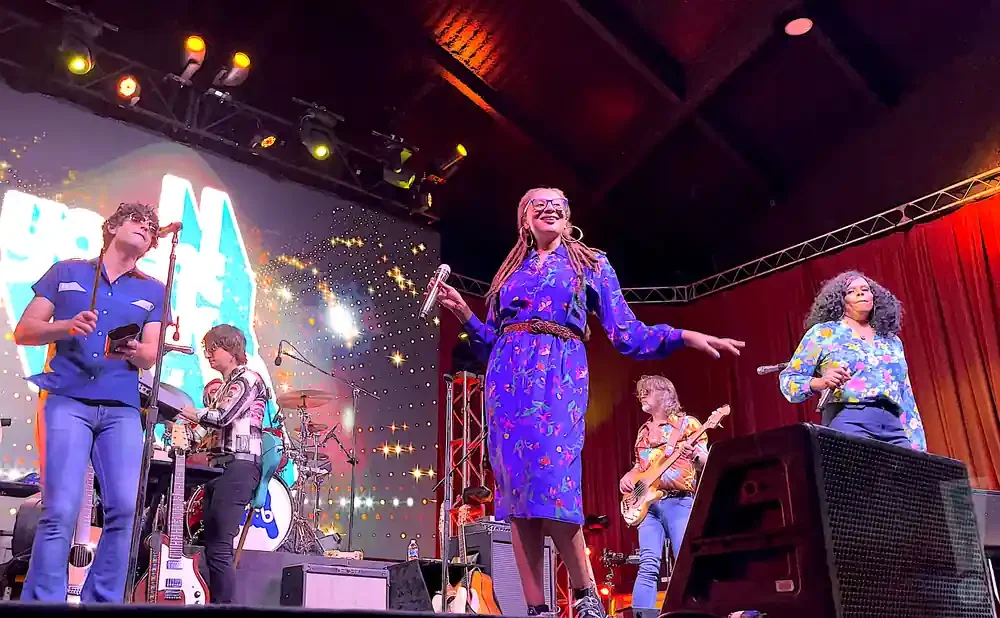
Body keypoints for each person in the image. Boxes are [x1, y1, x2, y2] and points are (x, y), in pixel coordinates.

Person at [435, 187, 744, 618]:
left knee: (556, 488)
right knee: (520, 502)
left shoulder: (590, 264)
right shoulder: (509, 273)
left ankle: (584, 594)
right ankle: (537, 607)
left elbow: (627, 333)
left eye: (557, 202)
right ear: (524, 219)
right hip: (506, 386)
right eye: (537, 203)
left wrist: (683, 335)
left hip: (559, 380)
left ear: (568, 215)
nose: (549, 206)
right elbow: (492, 342)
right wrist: (462, 313)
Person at [14, 202, 168, 602]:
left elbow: (151, 355)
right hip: (67, 400)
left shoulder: (153, 289)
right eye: (138, 221)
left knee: (124, 510)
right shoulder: (67, 272)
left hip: (121, 410)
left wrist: (133, 349)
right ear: (114, 226)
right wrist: (66, 325)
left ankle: (102, 601)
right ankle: (42, 601)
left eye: (152, 228)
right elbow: (24, 331)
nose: (146, 228)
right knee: (60, 510)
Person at [779, 270, 927, 451]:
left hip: (893, 424)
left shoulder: (891, 340)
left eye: (865, 289)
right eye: (851, 291)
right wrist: (821, 382)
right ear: (840, 300)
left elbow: (905, 394)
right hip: (851, 419)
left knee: (905, 477)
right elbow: (790, 380)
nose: (860, 293)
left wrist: (917, 444)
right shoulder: (824, 333)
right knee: (858, 477)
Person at [176, 324, 267, 604]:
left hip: (239, 466)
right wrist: (179, 434)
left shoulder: (247, 379)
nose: (208, 355)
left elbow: (222, 417)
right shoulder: (224, 388)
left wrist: (184, 410)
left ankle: (224, 606)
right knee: (213, 547)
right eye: (207, 350)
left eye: (213, 348)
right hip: (219, 468)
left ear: (231, 349)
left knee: (220, 548)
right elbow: (203, 431)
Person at [620, 375, 707, 611]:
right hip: (648, 507)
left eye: (647, 391)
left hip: (679, 501)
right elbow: (642, 467)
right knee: (648, 564)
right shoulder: (643, 431)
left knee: (685, 562)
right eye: (641, 392)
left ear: (665, 394)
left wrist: (694, 456)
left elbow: (705, 461)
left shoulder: (688, 424)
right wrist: (628, 477)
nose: (642, 395)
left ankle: (693, 613)